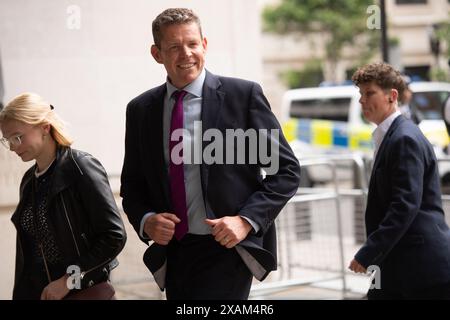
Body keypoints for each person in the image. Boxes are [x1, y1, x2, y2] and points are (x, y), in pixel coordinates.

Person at [120, 8, 300, 300]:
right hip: (173, 251)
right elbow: (132, 184)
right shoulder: (140, 110)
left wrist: (245, 220)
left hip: (226, 247)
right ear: (157, 53)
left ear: (205, 44)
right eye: (174, 47)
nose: (186, 54)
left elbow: (286, 171)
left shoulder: (243, 97)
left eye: (192, 44)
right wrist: (146, 219)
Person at [0, 93, 127, 300]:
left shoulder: (80, 166)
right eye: (8, 140)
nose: (13, 147)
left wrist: (69, 281)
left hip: (83, 293)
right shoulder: (28, 180)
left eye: (18, 137)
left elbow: (114, 236)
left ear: (44, 127)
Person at [348, 62, 450, 299]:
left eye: (369, 93)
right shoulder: (392, 135)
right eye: (361, 94)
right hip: (400, 264)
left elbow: (404, 205)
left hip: (422, 267)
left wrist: (368, 253)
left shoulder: (404, 138)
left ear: (392, 96)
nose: (362, 100)